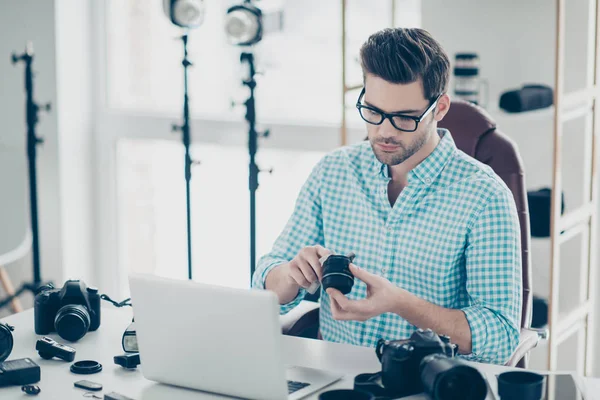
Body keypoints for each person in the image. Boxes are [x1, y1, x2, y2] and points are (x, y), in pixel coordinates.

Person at [252, 27, 522, 365]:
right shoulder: (334, 172)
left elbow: (501, 337)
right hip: (336, 377)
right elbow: (266, 282)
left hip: (427, 383)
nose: (384, 131)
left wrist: (400, 304)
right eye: (374, 111)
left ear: (439, 109)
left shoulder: (484, 195)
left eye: (405, 118)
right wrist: (291, 274)